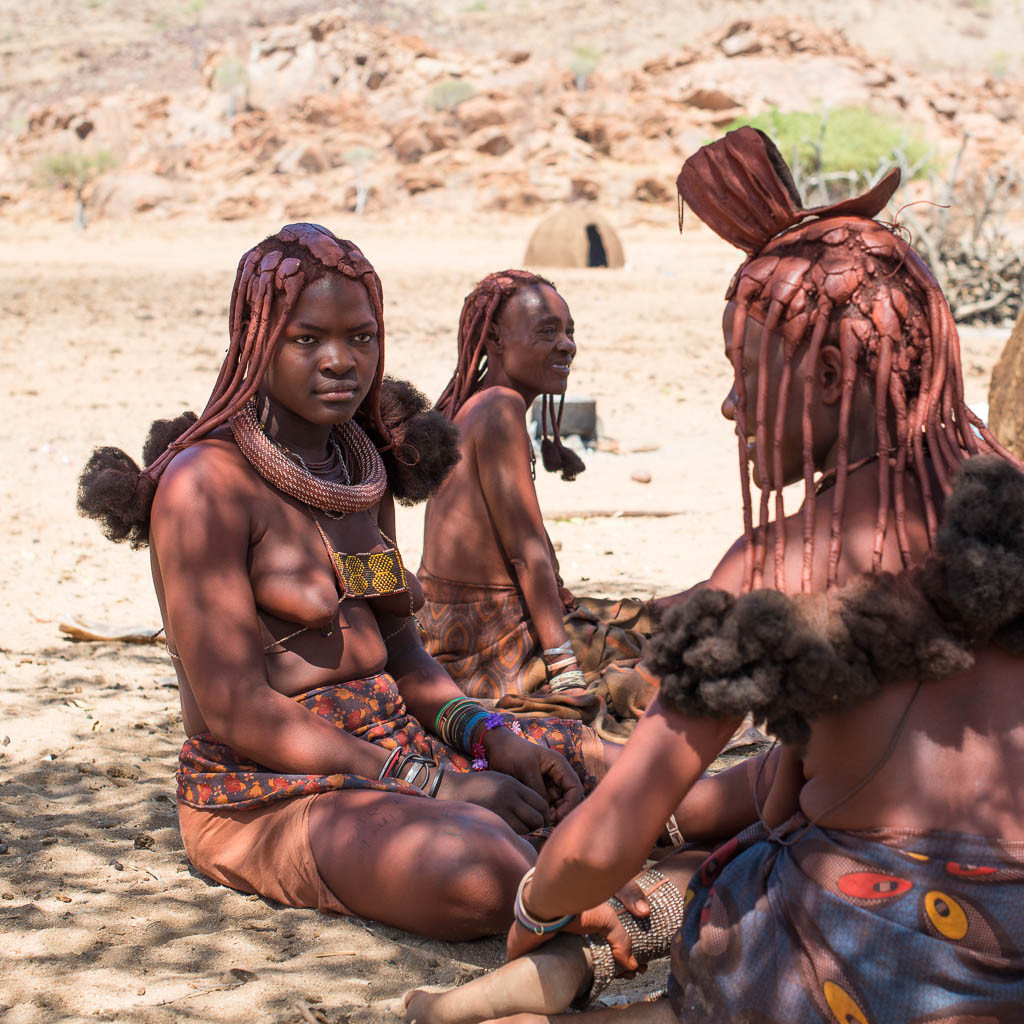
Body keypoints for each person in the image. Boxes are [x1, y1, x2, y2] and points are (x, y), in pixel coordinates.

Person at [404, 128, 1024, 1021]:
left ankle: (517, 994)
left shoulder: (780, 561)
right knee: (758, 840)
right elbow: (804, 775)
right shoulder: (1004, 520)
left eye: (746, 376)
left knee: (748, 888)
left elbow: (608, 834)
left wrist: (534, 905)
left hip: (875, 952)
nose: (733, 407)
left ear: (825, 372)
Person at [76, 223, 612, 941]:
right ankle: (583, 891)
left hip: (397, 748)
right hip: (271, 789)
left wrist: (492, 737)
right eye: (307, 340)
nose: (340, 361)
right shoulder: (203, 486)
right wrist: (438, 783)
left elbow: (407, 659)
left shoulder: (363, 471)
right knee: (475, 866)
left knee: (602, 770)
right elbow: (238, 711)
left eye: (361, 338)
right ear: (254, 337)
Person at [419, 270, 659, 736]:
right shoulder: (499, 409)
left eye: (569, 332)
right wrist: (564, 670)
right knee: (666, 656)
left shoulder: (484, 402)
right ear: (495, 339)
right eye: (548, 332)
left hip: (468, 630)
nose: (567, 345)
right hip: (489, 649)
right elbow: (525, 554)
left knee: (663, 615)